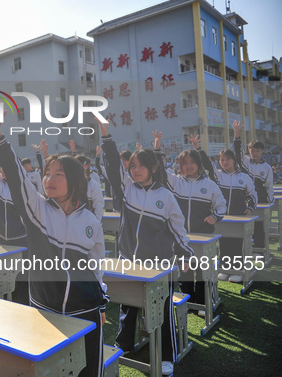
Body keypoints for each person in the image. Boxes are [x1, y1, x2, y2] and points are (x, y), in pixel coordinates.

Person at [0, 102, 108, 377]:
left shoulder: (90, 222)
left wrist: (102, 304)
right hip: (45, 309)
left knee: (89, 369)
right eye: (47, 174)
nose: (49, 179)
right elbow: (17, 179)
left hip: (85, 311)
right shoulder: (37, 209)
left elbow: (97, 266)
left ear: (75, 181)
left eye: (58, 175)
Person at [99, 123, 192, 376]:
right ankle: (124, 344)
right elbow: (112, 166)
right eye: (132, 167)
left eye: (141, 166)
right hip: (129, 261)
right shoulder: (127, 189)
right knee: (128, 306)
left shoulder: (166, 196)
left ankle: (167, 356)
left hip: (159, 267)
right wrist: (106, 135)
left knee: (162, 312)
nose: (135, 170)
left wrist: (185, 256)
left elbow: (178, 230)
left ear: (153, 168)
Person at [154, 131, 226, 314]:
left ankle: (202, 303)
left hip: (203, 237)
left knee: (202, 272)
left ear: (199, 164)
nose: (188, 166)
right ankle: (188, 302)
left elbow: (221, 206)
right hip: (182, 238)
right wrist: (156, 147)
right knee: (184, 271)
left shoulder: (209, 185)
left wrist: (215, 217)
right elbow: (160, 171)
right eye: (184, 163)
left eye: (192, 162)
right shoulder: (176, 182)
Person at [191, 136, 257, 283]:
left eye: (227, 159)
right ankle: (226, 269)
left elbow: (253, 195)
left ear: (234, 160)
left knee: (238, 245)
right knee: (224, 244)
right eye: (222, 160)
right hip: (221, 218)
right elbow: (207, 164)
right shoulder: (217, 176)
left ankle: (239, 271)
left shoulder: (244, 177)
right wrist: (198, 148)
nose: (225, 162)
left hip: (239, 219)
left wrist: (250, 208)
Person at [232, 120, 274, 257]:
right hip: (245, 199)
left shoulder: (266, 167)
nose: (254, 153)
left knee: (259, 226)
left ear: (262, 151)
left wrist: (269, 203)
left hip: (261, 200)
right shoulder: (245, 162)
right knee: (245, 225)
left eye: (257, 151)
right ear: (248, 150)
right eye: (252, 150)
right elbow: (237, 151)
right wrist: (236, 135)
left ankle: (259, 249)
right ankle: (246, 248)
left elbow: (269, 186)